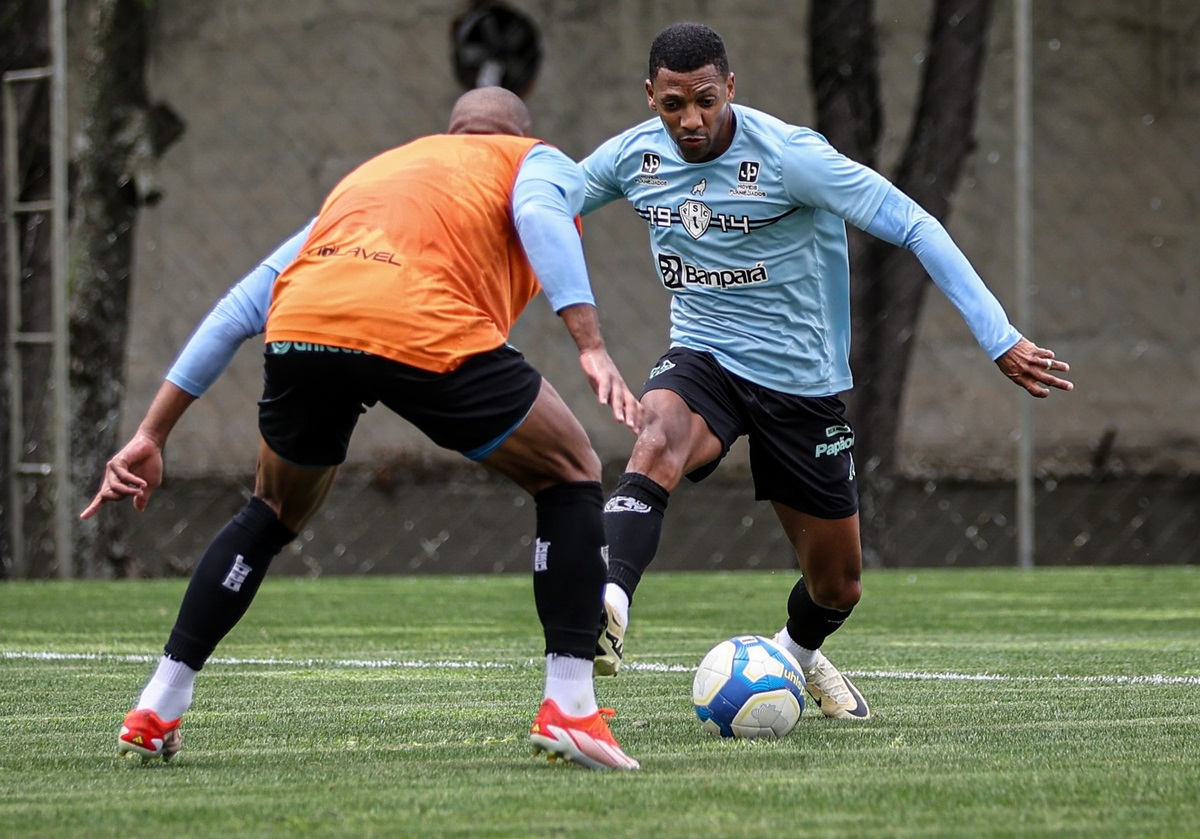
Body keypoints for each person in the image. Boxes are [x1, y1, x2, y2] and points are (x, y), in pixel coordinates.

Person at [82, 87, 644, 771]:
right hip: (419, 323)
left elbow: (238, 308)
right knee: (569, 468)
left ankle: (158, 702)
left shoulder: (377, 175)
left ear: (449, 131)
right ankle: (571, 706)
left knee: (271, 508)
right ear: (519, 132)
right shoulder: (531, 158)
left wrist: (151, 433)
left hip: (304, 326)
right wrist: (587, 341)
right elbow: (535, 210)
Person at [580, 22, 1074, 719]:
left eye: (705, 101)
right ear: (650, 97)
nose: (690, 120)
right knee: (656, 431)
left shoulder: (790, 158)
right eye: (672, 105)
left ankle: (800, 651)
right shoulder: (633, 158)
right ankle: (607, 599)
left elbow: (914, 224)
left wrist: (999, 337)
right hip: (705, 358)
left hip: (799, 385)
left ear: (730, 89)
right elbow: (551, 202)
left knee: (838, 584)